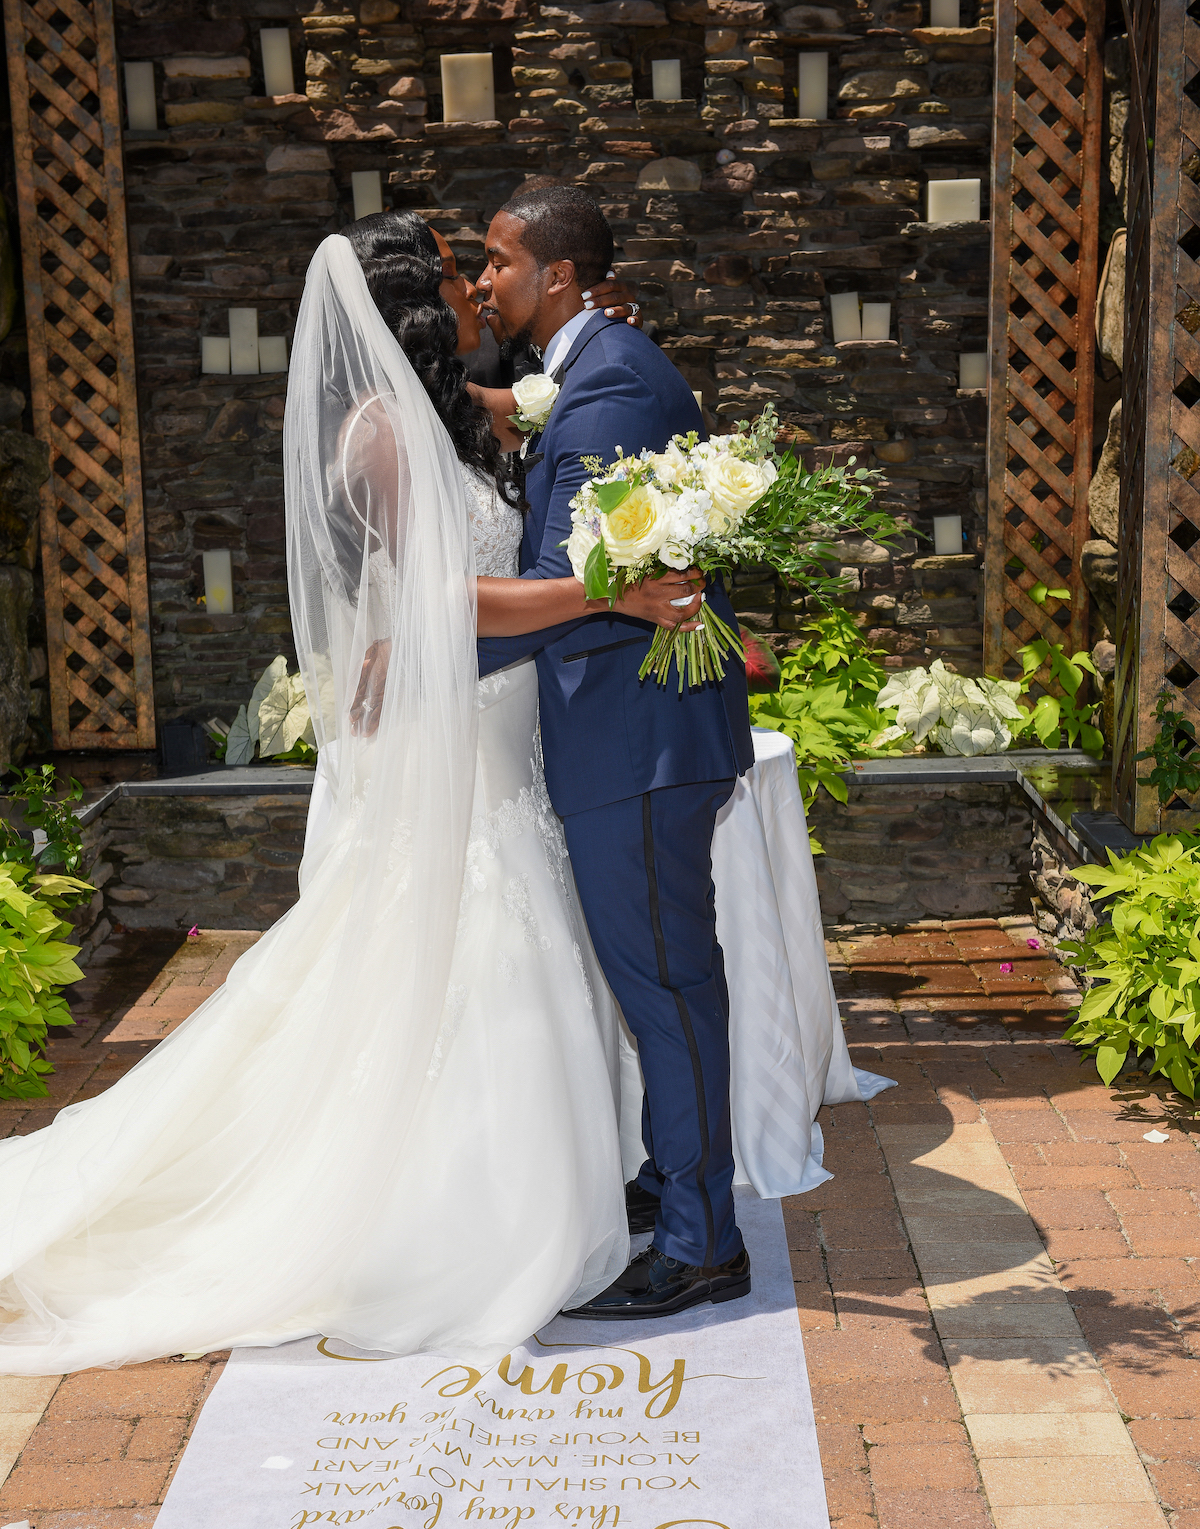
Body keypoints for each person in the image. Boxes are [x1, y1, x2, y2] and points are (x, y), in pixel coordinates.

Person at [0, 211, 696, 1372]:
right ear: (421, 303)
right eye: (458, 273)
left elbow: (540, 408)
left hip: (501, 726)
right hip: (455, 727)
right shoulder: (378, 431)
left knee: (516, 932)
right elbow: (451, 600)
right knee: (475, 946)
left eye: (490, 268)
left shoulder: (454, 409)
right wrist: (607, 595)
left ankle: (550, 1194)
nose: (481, 287)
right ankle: (457, 1221)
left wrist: (587, 356)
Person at [473, 186, 756, 1321]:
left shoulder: (607, 391)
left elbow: (566, 587)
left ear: (557, 276)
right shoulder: (591, 378)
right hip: (632, 731)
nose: (486, 280)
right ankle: (670, 1181)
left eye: (498, 261)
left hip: (634, 740)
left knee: (668, 986)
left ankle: (699, 1242)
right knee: (663, 977)